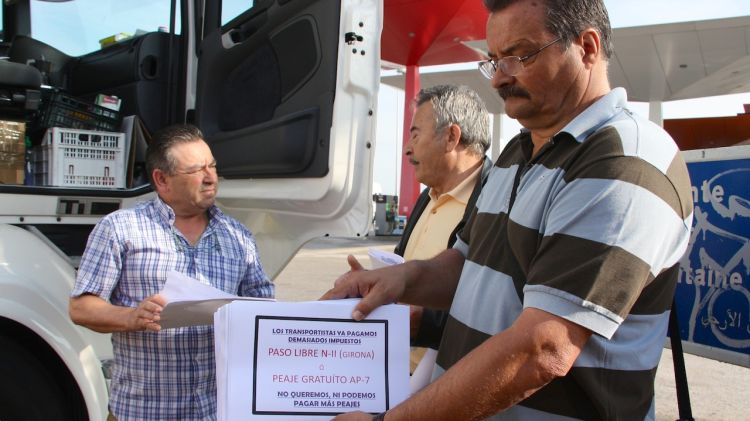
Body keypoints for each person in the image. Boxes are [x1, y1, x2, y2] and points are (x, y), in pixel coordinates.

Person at [324, 0, 694, 419]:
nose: (499, 78)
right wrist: (400, 281)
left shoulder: (623, 162)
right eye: (494, 60)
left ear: (587, 47)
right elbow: (466, 262)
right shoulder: (515, 153)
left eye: (520, 56)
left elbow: (543, 348)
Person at [69, 124, 274, 421]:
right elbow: (81, 307)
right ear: (162, 180)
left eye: (212, 166)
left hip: (216, 412)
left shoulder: (238, 236)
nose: (210, 178)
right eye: (196, 170)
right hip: (143, 412)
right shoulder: (120, 229)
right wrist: (130, 317)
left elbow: (264, 311)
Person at [391, 84, 492, 377]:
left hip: (446, 385)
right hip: (399, 374)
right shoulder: (426, 197)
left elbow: (495, 308)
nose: (407, 148)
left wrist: (425, 323)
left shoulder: (495, 202)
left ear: (451, 137)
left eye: (415, 135)